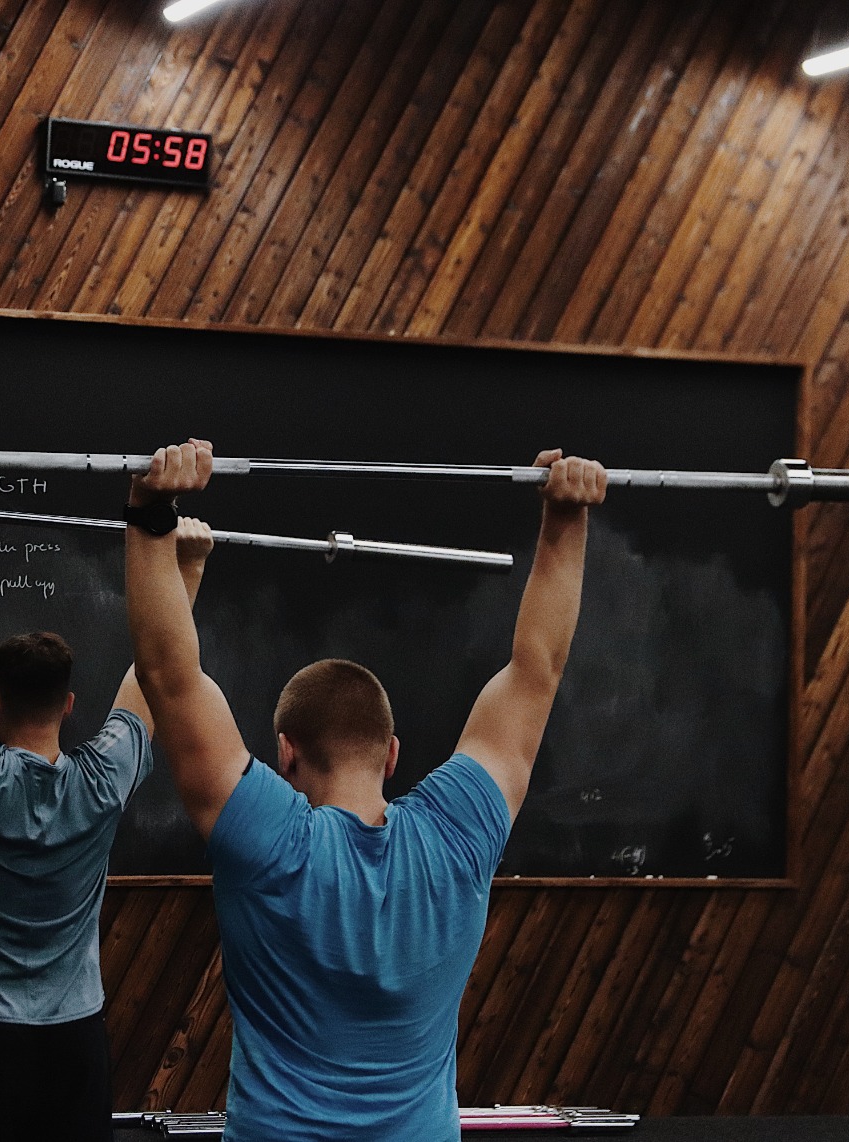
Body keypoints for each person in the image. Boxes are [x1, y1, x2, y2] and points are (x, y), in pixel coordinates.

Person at [122, 440, 606, 1141]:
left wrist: (151, 510)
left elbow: (166, 672)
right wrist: (566, 517)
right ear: (393, 755)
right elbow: (539, 668)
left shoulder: (268, 841)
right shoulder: (457, 832)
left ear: (284, 754)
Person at [0, 490, 214, 1142]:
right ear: (68, 705)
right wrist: (187, 567)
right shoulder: (105, 778)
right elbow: (159, 671)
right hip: (70, 1043)